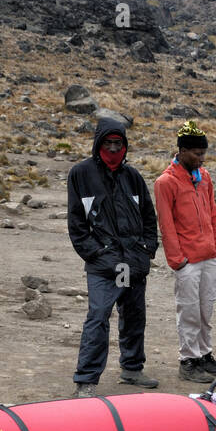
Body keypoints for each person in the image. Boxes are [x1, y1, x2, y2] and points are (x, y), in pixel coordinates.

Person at [67, 117, 159, 397]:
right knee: (98, 317)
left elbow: (148, 217)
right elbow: (76, 224)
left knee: (134, 316)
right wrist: (96, 254)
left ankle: (132, 369)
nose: (114, 148)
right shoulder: (81, 174)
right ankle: (86, 381)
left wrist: (146, 250)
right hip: (104, 265)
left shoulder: (132, 177)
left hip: (132, 262)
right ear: (98, 143)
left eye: (119, 143)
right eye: (108, 143)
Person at [154, 120, 216, 384]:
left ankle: (205, 355)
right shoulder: (166, 182)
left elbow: (212, 213)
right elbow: (166, 224)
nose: (201, 159)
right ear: (182, 151)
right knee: (189, 312)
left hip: (209, 256)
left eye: (203, 154)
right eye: (197, 154)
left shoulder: (204, 177)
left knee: (206, 310)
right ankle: (188, 360)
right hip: (187, 261)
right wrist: (178, 261)